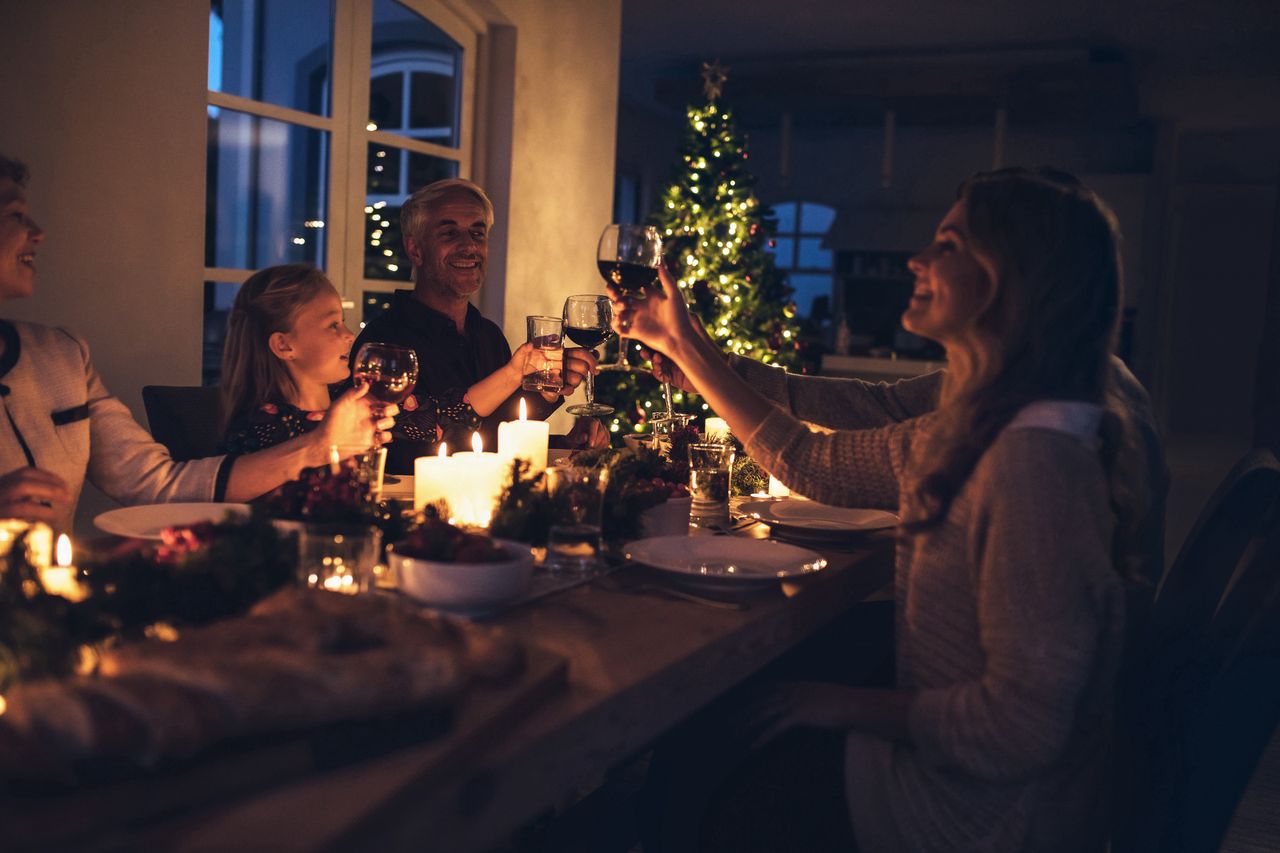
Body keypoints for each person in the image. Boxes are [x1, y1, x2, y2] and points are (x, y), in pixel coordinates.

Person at [613, 168, 1145, 852]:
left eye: (948, 245)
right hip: (950, 774)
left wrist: (840, 704)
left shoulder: (1032, 466)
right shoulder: (975, 421)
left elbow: (1022, 728)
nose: (917, 261)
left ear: (1009, 280)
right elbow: (808, 459)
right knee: (716, 737)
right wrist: (684, 342)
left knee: (703, 771)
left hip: (965, 815)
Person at [0, 154, 389, 532]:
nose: (38, 231)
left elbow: (157, 485)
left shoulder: (60, 356)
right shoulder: (262, 421)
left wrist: (324, 444)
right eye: (16, 215)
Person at [352, 178, 608, 474]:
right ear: (416, 250)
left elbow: (490, 441)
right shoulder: (383, 345)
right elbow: (414, 450)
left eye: (478, 233)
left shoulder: (487, 334)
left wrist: (566, 442)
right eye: (450, 233)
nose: (469, 246)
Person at [219, 262, 540, 456]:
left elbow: (444, 414)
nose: (348, 335)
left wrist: (516, 370)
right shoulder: (259, 431)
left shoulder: (351, 403)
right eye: (333, 325)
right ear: (283, 345)